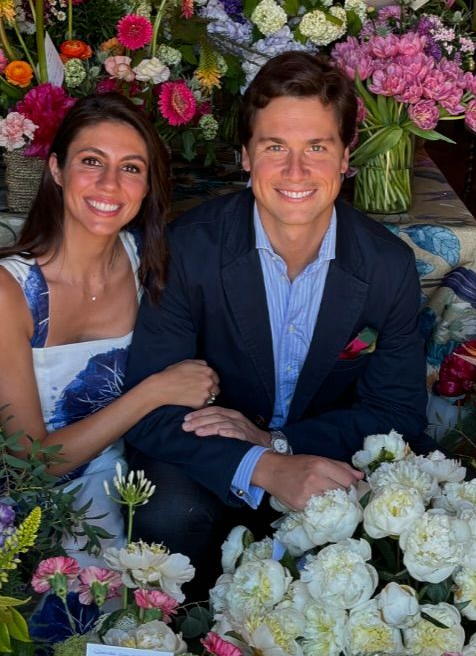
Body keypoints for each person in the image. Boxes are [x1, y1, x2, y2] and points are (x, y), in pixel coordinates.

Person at [123, 50, 428, 577]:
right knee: (167, 511)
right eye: (274, 147)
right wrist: (263, 465)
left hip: (329, 453)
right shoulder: (187, 249)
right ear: (245, 155)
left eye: (317, 146)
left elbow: (399, 414)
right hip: (214, 463)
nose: (296, 171)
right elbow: (149, 409)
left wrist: (278, 444)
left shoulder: (386, 266)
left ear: (345, 155)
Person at [0, 95, 218, 548]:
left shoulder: (147, 260)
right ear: (57, 170)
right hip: (40, 495)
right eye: (91, 161)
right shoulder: (5, 292)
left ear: (147, 186)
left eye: (130, 168)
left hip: (137, 469)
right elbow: (32, 461)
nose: (109, 185)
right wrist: (155, 391)